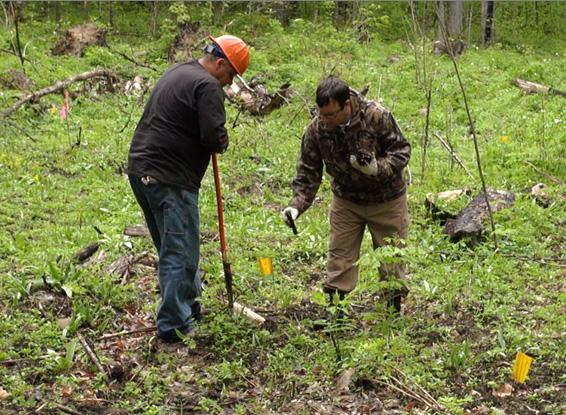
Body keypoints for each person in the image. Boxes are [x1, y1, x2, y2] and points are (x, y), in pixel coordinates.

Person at [127, 35, 250, 343]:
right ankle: (174, 324)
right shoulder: (208, 85)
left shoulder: (178, 71)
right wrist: (223, 139)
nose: (229, 83)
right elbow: (212, 136)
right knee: (180, 251)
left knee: (174, 247)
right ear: (220, 63)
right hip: (170, 177)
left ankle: (188, 305)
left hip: (141, 170)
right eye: (231, 75)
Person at [282, 76, 411, 313]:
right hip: (347, 201)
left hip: (387, 200)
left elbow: (401, 151)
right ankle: (336, 314)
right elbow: (308, 170)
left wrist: (377, 169)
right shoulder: (316, 129)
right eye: (322, 114)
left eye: (331, 115)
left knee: (391, 260)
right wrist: (296, 205)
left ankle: (392, 314)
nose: (326, 120)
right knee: (339, 259)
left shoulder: (376, 116)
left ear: (347, 105)